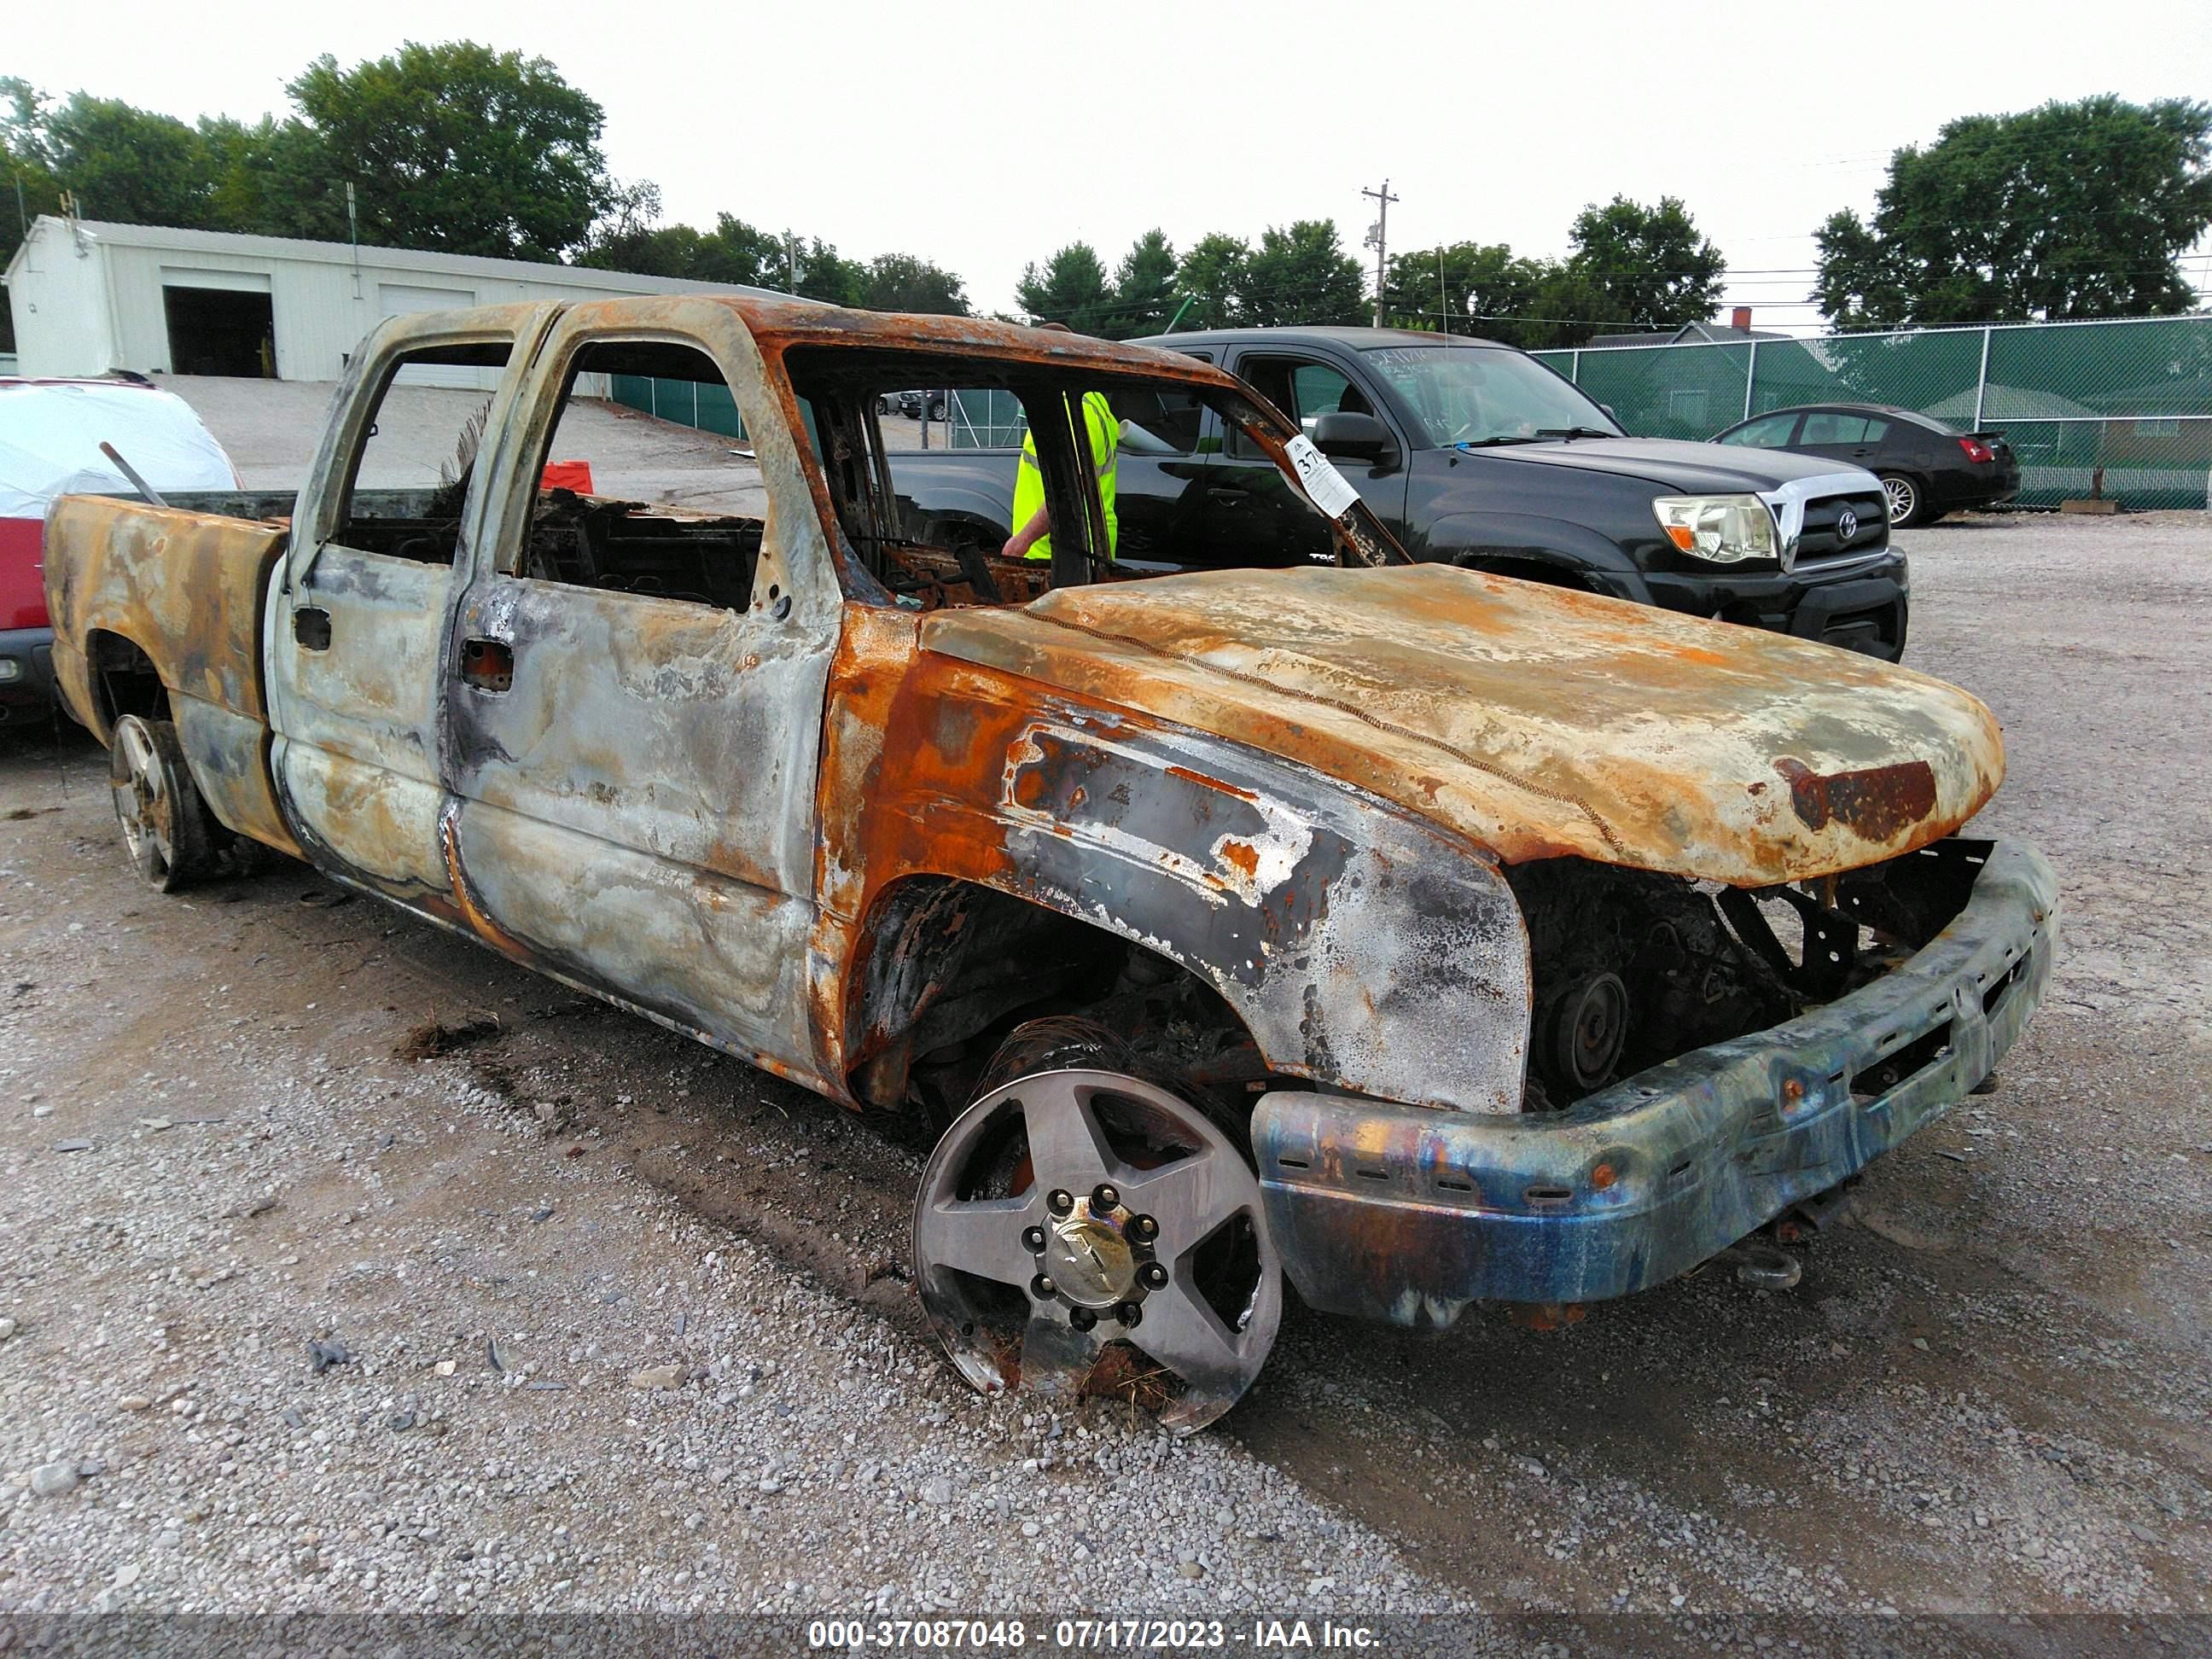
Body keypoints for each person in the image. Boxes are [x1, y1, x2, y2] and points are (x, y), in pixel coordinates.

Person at [1003, 324, 1118, 565]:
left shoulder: (1074, 411)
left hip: (1060, 553)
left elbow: (1067, 490)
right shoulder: (1089, 400)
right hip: (1074, 546)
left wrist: (1022, 540)